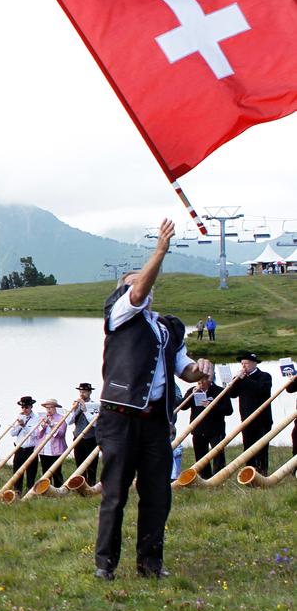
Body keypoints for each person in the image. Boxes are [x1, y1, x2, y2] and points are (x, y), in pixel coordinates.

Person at [95, 218, 213, 581]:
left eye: (146, 283)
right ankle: (105, 565)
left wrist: (201, 370)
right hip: (120, 418)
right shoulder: (118, 314)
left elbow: (183, 368)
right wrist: (160, 251)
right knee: (115, 494)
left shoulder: (168, 327)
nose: (145, 288)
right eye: (137, 282)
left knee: (158, 495)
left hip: (157, 422)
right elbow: (136, 292)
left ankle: (150, 564)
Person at [230, 352, 274, 474]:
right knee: (248, 446)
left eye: (247, 363)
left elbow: (261, 390)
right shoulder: (241, 379)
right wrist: (235, 380)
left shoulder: (265, 376)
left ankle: (262, 472)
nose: (244, 366)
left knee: (262, 447)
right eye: (242, 363)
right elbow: (232, 394)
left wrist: (245, 379)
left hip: (262, 419)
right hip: (246, 418)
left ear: (254, 364)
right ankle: (249, 471)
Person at [186, 377, 232, 480]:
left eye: (203, 381)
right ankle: (205, 477)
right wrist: (191, 395)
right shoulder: (192, 390)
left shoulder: (219, 391)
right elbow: (183, 406)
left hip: (216, 429)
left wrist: (212, 406)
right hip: (198, 429)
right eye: (198, 381)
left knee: (218, 454)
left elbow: (229, 410)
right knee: (200, 455)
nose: (200, 384)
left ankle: (219, 477)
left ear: (209, 380)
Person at [67, 384, 100, 486]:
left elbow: (95, 423)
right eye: (80, 391)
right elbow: (69, 421)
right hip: (78, 438)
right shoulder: (76, 405)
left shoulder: (95, 405)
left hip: (91, 438)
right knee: (79, 463)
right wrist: (74, 410)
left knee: (92, 464)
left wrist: (85, 410)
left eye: (85, 391)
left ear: (90, 392)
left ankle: (92, 486)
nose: (82, 394)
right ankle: (82, 487)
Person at [34, 399, 68, 488]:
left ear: (55, 408)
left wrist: (51, 424)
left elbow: (61, 434)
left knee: (57, 471)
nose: (49, 410)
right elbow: (38, 435)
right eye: (47, 408)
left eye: (51, 407)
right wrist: (43, 425)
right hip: (44, 449)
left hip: (57, 449)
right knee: (45, 471)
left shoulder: (61, 418)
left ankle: (58, 490)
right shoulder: (43, 418)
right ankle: (46, 490)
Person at [9, 397, 40, 495]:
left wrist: (24, 426)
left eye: (26, 407)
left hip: (31, 449)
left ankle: (30, 494)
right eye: (22, 407)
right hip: (19, 448)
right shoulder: (19, 417)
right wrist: (18, 424)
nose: (24, 409)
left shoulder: (36, 418)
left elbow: (35, 434)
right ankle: (17, 494)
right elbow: (12, 433)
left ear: (31, 407)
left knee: (31, 473)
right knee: (17, 473)